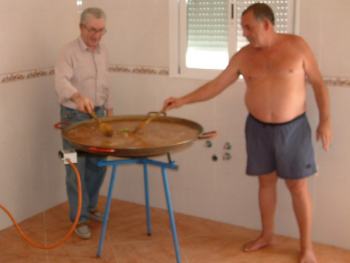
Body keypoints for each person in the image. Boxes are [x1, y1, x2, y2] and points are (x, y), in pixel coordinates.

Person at [162, 3, 331, 263]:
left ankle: (307, 248)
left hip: (294, 129)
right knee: (265, 182)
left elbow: (319, 84)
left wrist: (326, 122)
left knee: (298, 186)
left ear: (266, 24)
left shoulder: (297, 46)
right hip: (257, 127)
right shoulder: (244, 56)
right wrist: (183, 100)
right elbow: (217, 85)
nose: (244, 33)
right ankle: (266, 235)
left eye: (248, 27)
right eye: (243, 27)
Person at [54, 7, 113, 239]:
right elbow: (60, 82)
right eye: (92, 30)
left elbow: (106, 82)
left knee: (98, 163)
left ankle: (89, 207)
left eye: (101, 30)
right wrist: (77, 97)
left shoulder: (103, 52)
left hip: (98, 116)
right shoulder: (67, 52)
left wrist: (109, 109)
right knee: (74, 167)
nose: (97, 35)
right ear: (81, 27)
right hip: (72, 118)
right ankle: (79, 219)